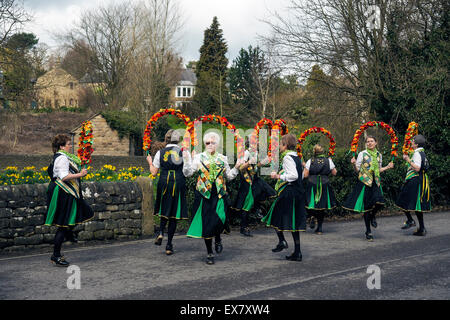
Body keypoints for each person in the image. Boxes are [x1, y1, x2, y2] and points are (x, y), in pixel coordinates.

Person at [183, 132, 243, 265]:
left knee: (219, 219)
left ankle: (218, 237)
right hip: (204, 195)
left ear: (217, 144)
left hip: (219, 195)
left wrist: (237, 168)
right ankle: (209, 252)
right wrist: (187, 160)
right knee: (207, 224)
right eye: (207, 143)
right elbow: (187, 173)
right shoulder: (198, 157)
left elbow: (229, 176)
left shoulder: (223, 158)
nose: (210, 145)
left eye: (213, 142)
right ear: (204, 144)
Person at [45, 134, 94, 266]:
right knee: (63, 224)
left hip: (67, 192)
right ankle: (56, 255)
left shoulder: (65, 157)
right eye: (68, 144)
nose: (70, 146)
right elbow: (64, 176)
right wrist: (81, 174)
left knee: (79, 214)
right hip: (63, 193)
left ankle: (69, 234)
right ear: (61, 146)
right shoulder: (62, 158)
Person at [262, 134, 306, 261]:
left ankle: (282, 241)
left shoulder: (287, 157)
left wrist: (278, 176)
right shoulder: (297, 156)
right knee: (293, 223)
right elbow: (301, 175)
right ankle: (297, 252)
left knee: (273, 215)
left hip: (289, 191)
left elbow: (293, 176)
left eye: (281, 144)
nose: (279, 147)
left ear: (285, 145)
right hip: (297, 192)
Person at [146, 129, 190, 255]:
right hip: (178, 182)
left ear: (166, 139)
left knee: (164, 208)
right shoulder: (183, 152)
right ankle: (169, 245)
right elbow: (187, 172)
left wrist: (150, 161)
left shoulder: (161, 152)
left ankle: (160, 233)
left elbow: (154, 172)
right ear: (179, 140)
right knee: (174, 214)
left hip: (164, 182)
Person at [343, 136, 394, 241]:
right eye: (367, 142)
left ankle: (373, 216)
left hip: (376, 182)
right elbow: (357, 170)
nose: (369, 143)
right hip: (365, 182)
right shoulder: (362, 153)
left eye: (371, 141)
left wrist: (388, 167)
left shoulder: (379, 155)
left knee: (380, 202)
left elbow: (379, 169)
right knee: (367, 208)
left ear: (376, 143)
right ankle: (368, 231)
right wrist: (353, 164)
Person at [232, 140, 276, 237]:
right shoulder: (246, 153)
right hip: (247, 182)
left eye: (256, 143)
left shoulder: (256, 153)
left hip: (254, 181)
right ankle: (244, 227)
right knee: (246, 205)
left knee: (264, 193)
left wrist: (262, 163)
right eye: (254, 143)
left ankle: (257, 210)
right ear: (249, 144)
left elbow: (255, 167)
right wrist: (248, 162)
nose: (256, 145)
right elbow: (240, 167)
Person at [396, 134, 430, 236]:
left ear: (416, 144)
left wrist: (408, 160)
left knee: (401, 200)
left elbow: (417, 168)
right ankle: (422, 228)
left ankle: (410, 220)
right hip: (420, 180)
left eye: (412, 141)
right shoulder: (422, 153)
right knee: (417, 205)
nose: (411, 142)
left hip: (414, 180)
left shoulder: (417, 154)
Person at [303, 144, 338, 234]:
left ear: (314, 152)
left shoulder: (310, 161)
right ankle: (320, 229)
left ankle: (312, 215)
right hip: (324, 184)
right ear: (323, 151)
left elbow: (306, 175)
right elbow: (334, 173)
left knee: (310, 203)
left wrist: (305, 168)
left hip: (312, 184)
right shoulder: (328, 161)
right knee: (322, 206)